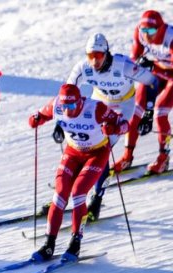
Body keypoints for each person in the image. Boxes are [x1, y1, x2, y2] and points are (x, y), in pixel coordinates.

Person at [28, 83, 128, 262]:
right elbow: (38, 116)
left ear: (80, 102)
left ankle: (75, 244)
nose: (68, 110)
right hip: (73, 152)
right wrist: (36, 120)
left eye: (72, 105)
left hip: (96, 154)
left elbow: (124, 124)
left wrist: (113, 129)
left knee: (78, 193)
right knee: (59, 195)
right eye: (65, 106)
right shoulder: (56, 105)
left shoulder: (96, 108)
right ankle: (49, 245)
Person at [66, 32, 158, 219]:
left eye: (98, 55)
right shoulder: (83, 68)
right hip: (99, 102)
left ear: (106, 53)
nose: (94, 61)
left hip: (123, 105)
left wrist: (149, 113)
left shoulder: (123, 66)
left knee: (103, 145)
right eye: (90, 56)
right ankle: (69, 189)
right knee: (80, 142)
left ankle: (97, 199)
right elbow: (67, 92)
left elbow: (152, 81)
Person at [117, 9, 173, 175]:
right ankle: (127, 156)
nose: (147, 35)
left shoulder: (170, 38)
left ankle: (163, 158)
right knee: (135, 111)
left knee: (160, 112)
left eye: (152, 30)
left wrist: (152, 67)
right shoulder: (139, 33)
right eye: (144, 30)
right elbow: (134, 59)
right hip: (158, 72)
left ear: (160, 28)